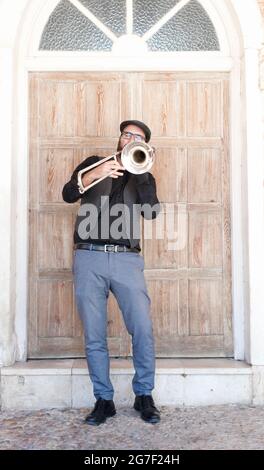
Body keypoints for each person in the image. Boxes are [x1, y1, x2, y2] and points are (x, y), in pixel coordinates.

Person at [62, 120, 161, 426]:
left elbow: (151, 212)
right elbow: (68, 193)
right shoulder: (94, 163)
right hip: (88, 256)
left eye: (138, 137)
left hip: (126, 260)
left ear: (144, 145)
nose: (131, 139)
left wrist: (141, 173)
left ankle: (143, 395)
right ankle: (104, 400)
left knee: (142, 330)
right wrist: (97, 173)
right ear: (120, 139)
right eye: (128, 134)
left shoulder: (144, 174)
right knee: (94, 334)